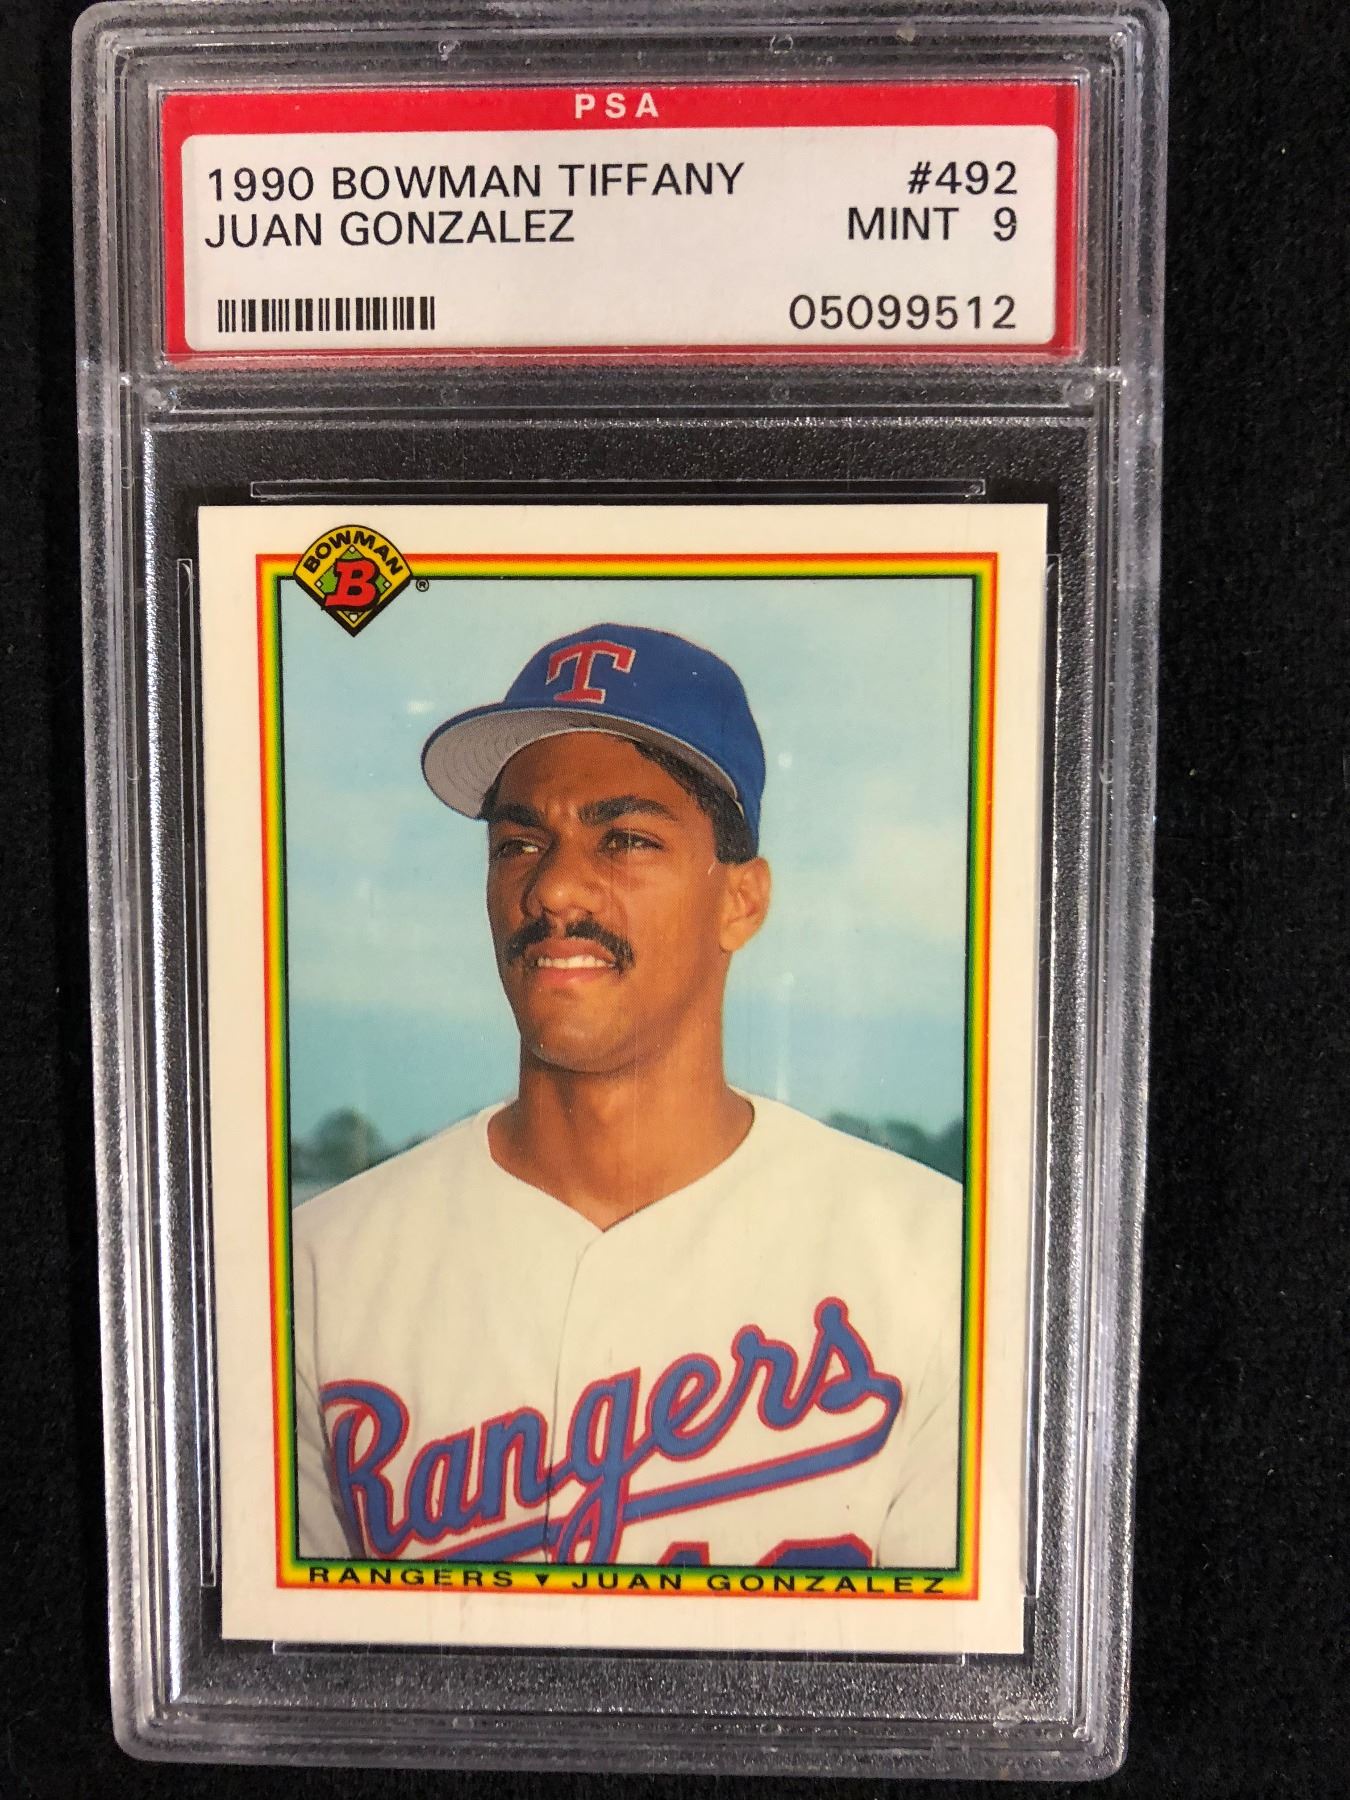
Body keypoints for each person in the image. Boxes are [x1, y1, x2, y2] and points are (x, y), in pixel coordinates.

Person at [293, 623, 963, 1570]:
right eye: (519, 842)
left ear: (741, 901)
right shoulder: (318, 1271)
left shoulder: (939, 1264)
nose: (555, 887)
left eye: (626, 839)